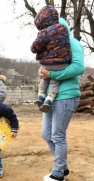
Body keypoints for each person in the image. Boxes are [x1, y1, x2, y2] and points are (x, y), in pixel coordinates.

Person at [38, 17, 85, 181]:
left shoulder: (72, 43)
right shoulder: (53, 47)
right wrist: (43, 71)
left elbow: (79, 67)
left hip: (66, 95)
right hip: (51, 97)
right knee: (46, 134)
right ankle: (62, 168)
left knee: (57, 135)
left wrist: (52, 74)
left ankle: (58, 173)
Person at [31, 5, 72, 113]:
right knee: (55, 82)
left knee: (44, 79)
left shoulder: (44, 32)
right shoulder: (64, 29)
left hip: (47, 63)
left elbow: (35, 48)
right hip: (62, 64)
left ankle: (40, 96)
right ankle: (49, 100)